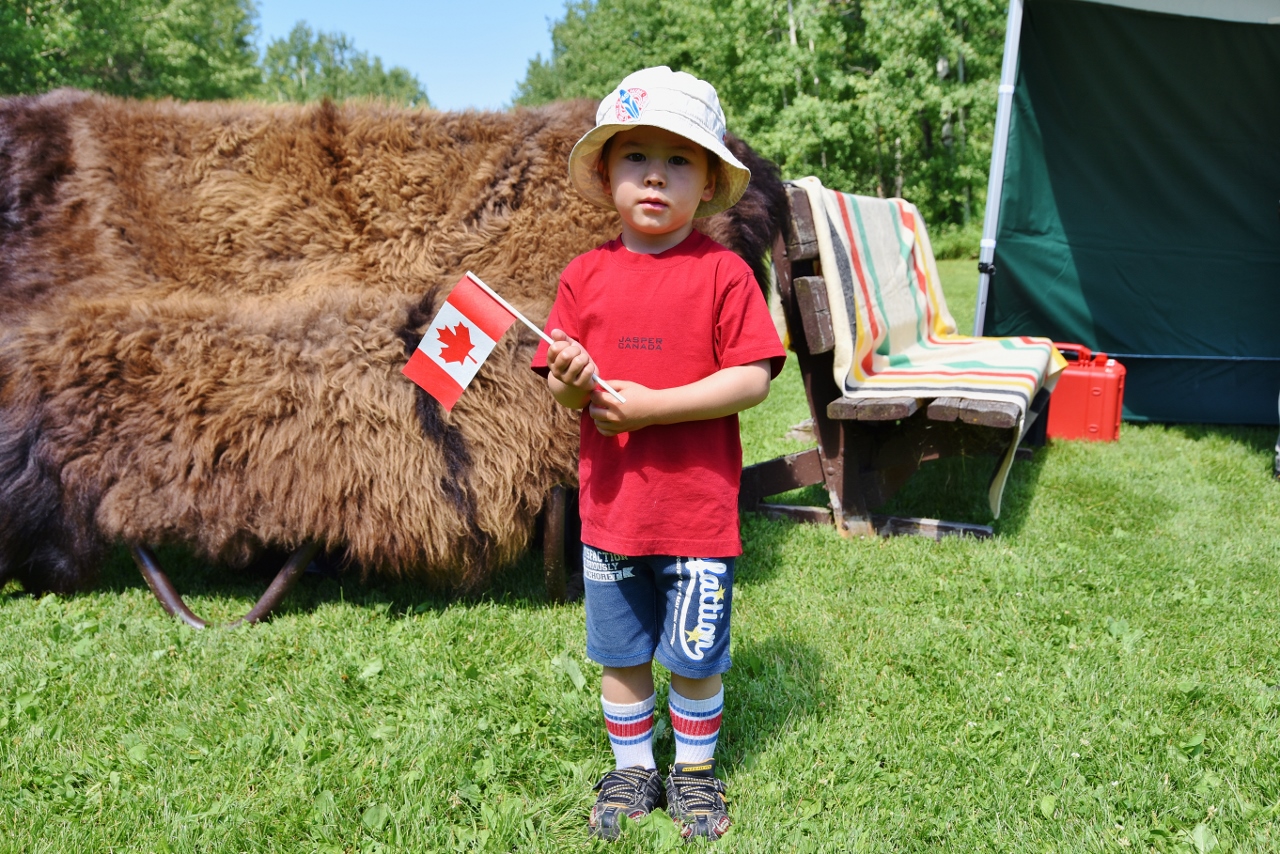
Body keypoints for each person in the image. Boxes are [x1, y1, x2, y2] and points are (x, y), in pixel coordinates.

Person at [531, 66, 786, 841]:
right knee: (620, 650)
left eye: (679, 159)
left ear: (708, 182)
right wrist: (575, 385)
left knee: (696, 656)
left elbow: (751, 379)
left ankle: (695, 775)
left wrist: (652, 408)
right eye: (636, 155)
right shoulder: (585, 276)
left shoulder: (724, 274)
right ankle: (634, 766)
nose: (655, 174)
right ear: (607, 173)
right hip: (612, 512)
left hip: (697, 511)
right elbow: (563, 392)